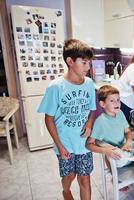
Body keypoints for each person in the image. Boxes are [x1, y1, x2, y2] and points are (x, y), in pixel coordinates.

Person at [38, 39, 96, 200]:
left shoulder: (90, 84)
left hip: (84, 143)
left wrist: (90, 123)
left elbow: (92, 109)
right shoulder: (55, 87)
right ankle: (66, 191)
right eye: (84, 63)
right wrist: (59, 145)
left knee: (85, 178)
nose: (88, 67)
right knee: (69, 175)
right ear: (70, 61)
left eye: (89, 63)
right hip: (65, 143)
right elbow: (48, 119)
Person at [86, 85, 134, 169]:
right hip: (116, 154)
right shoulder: (100, 121)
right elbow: (89, 144)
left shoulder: (120, 113)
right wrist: (105, 151)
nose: (117, 103)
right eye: (112, 101)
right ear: (102, 104)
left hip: (126, 148)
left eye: (118, 100)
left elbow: (127, 131)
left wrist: (128, 142)